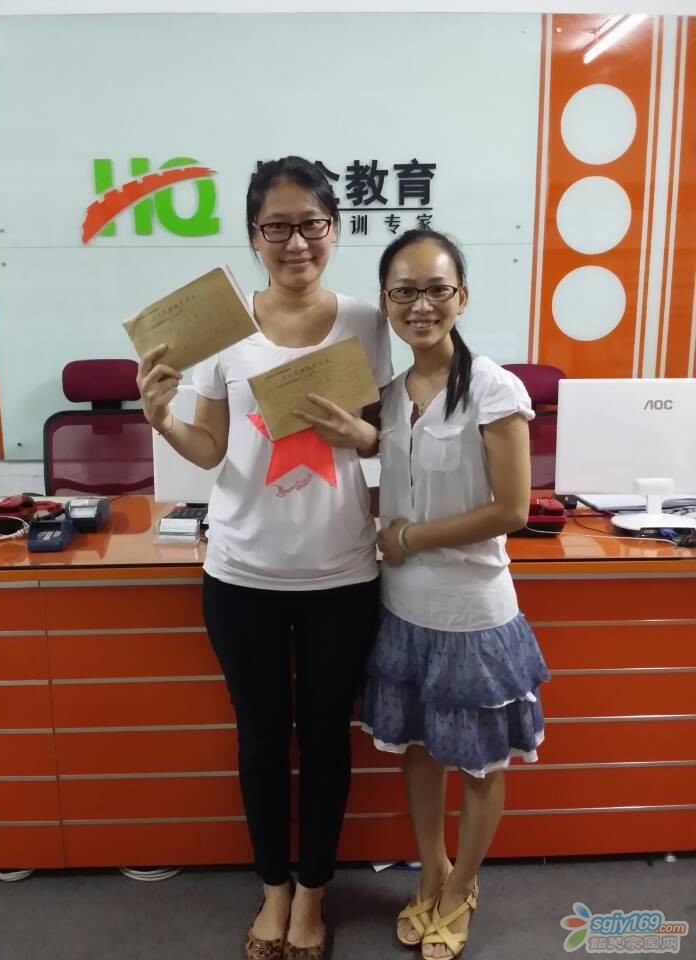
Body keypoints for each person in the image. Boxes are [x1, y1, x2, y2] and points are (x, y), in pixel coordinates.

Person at [136, 156, 392, 960]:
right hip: (241, 573)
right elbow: (210, 447)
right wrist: (162, 420)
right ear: (253, 235)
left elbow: (393, 441)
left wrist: (362, 435)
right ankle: (273, 887)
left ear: (335, 230)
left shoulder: (369, 322)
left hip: (341, 574)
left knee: (325, 740)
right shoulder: (222, 329)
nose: (296, 242)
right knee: (259, 740)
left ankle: (313, 894)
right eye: (277, 226)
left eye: (311, 224)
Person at [359, 229, 550, 959]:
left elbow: (512, 508)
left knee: (479, 762)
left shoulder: (493, 388)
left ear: (462, 297)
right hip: (403, 609)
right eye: (404, 292)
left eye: (437, 290)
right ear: (385, 302)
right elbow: (388, 487)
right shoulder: (386, 396)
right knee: (419, 748)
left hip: (472, 613)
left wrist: (409, 538)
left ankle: (463, 885)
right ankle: (431, 869)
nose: (421, 305)